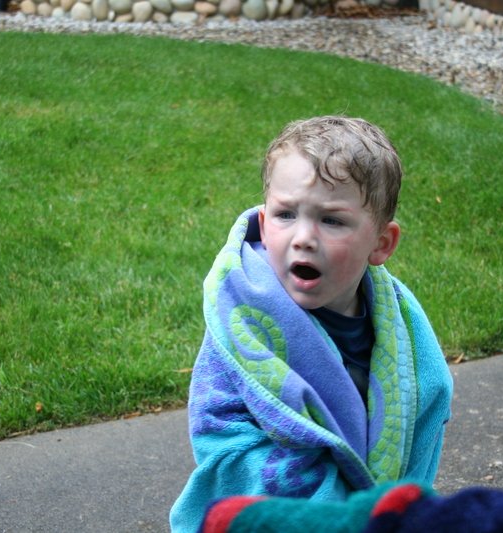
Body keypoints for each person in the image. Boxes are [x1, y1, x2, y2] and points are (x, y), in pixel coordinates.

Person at [170, 116, 453, 533]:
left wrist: (395, 511)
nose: (303, 237)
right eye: (285, 214)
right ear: (263, 223)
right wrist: (328, 505)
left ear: (381, 244)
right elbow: (221, 435)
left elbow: (424, 410)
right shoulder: (244, 319)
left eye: (332, 220)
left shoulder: (402, 329)